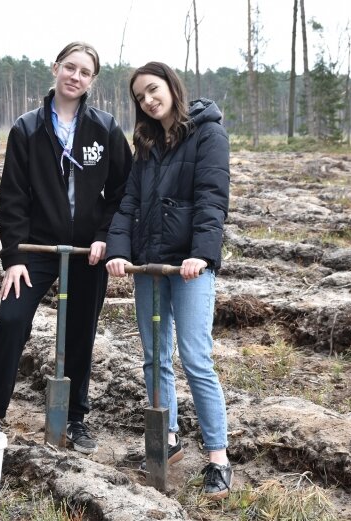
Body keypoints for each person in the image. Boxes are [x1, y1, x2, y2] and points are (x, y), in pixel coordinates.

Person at [0, 42, 132, 454]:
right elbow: (12, 199)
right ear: (56, 68)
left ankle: (76, 419)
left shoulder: (106, 128)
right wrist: (14, 258)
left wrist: (106, 236)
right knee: (11, 320)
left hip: (88, 252)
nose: (75, 77)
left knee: (81, 332)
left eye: (85, 72)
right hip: (37, 249)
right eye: (70, 67)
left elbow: (122, 192)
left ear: (92, 80)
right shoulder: (27, 128)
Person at [105, 62, 231, 499]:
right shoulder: (145, 144)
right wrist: (120, 251)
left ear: (172, 87)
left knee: (196, 358)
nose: (148, 100)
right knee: (155, 357)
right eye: (139, 96)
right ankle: (167, 440)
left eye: (153, 90)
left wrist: (201, 253)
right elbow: (129, 202)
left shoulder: (209, 134)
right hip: (150, 265)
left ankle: (218, 458)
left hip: (189, 267)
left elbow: (211, 198)